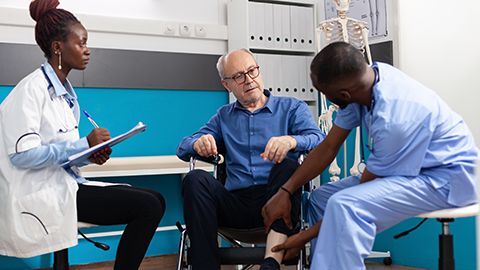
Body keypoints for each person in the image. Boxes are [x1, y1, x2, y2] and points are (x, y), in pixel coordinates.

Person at [261, 41, 479, 269]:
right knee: (321, 199)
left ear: (343, 94)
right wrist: (286, 190)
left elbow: (359, 195)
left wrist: (302, 238)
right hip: (412, 169)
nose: (324, 96)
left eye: (325, 93)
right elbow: (328, 146)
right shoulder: (370, 80)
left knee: (346, 206)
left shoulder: (392, 118)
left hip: (449, 178)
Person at [0, 1, 165, 269]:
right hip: (41, 192)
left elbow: (62, 154)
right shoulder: (31, 89)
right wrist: (83, 144)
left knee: (155, 199)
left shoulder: (65, 95)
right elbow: (22, 155)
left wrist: (89, 156)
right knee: (148, 206)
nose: (88, 50)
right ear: (57, 48)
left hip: (63, 185)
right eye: (81, 43)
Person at [176, 48, 325, 270]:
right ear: (227, 85)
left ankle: (270, 264)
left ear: (258, 70)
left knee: (286, 165)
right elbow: (182, 148)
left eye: (252, 71)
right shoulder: (223, 116)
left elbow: (319, 139)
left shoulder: (292, 108)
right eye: (238, 76)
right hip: (235, 205)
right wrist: (197, 143)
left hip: (279, 199)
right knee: (195, 178)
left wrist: (291, 141)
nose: (249, 80)